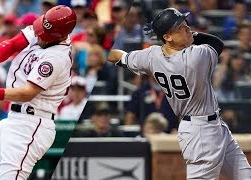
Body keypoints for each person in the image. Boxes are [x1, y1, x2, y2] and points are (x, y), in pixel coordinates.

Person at [107, 7, 251, 179]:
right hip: (200, 131)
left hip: (212, 126)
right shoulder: (196, 57)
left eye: (186, 24)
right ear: (167, 37)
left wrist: (114, 54)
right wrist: (188, 35)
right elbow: (217, 44)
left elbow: (117, 56)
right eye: (180, 28)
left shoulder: (152, 55)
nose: (188, 29)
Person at [0, 5, 76, 179]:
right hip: (13, 118)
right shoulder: (45, 28)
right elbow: (11, 44)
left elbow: (27, 93)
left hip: (32, 124)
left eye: (44, 34)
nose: (39, 35)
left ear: (60, 36)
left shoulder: (57, 57)